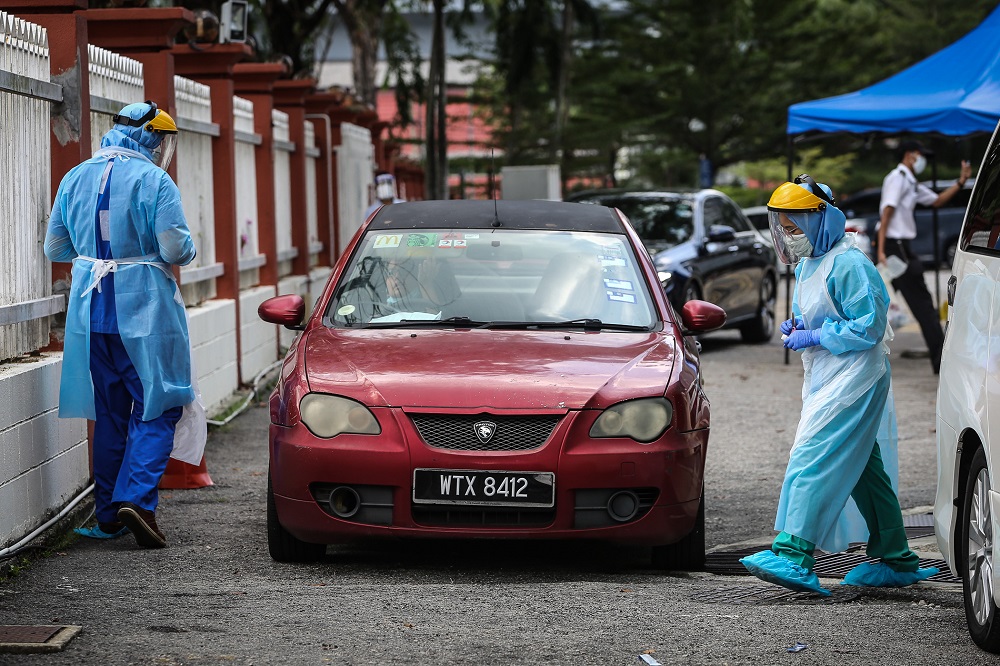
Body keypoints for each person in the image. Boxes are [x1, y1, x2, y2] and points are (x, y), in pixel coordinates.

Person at [740, 175, 938, 595]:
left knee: (812, 454)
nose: (789, 236)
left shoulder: (850, 263)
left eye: (794, 226)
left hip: (857, 377)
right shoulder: (810, 262)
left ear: (820, 219)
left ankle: (794, 554)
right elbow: (813, 313)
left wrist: (815, 336)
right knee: (866, 469)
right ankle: (896, 558)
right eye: (784, 227)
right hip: (828, 377)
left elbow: (870, 326)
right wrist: (799, 327)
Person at [44, 101, 197, 549]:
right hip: (145, 309)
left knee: (111, 412)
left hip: (92, 311)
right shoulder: (155, 180)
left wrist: (96, 250)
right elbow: (175, 249)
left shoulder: (75, 176)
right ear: (153, 138)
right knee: (160, 404)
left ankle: (108, 514)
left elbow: (56, 247)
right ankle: (138, 501)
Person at [876, 140, 971, 374]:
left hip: (899, 247)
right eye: (920, 155)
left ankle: (941, 360)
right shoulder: (897, 178)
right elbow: (886, 212)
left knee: (894, 303)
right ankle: (941, 362)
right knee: (922, 305)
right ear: (909, 156)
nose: (922, 160)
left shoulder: (909, 181)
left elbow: (937, 201)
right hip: (893, 247)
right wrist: (880, 250)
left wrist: (961, 181)